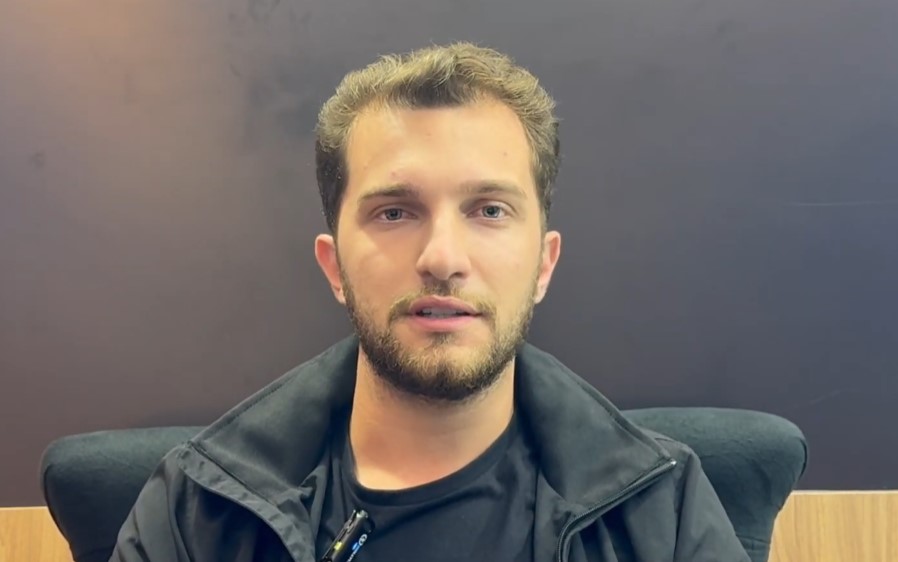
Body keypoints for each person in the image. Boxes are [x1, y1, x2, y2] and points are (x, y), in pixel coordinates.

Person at [109, 42, 750, 562]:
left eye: (489, 210)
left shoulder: (661, 512)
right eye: (394, 212)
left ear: (543, 264)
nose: (442, 257)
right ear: (335, 268)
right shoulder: (195, 513)